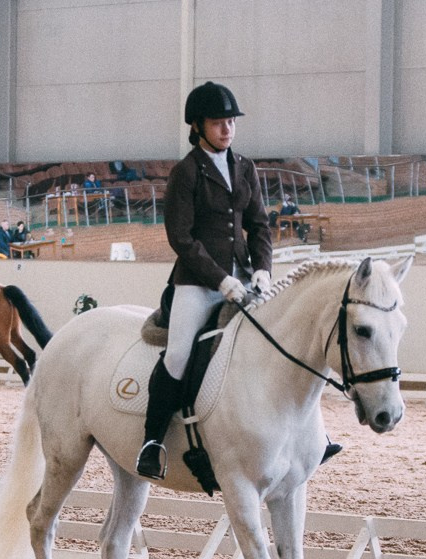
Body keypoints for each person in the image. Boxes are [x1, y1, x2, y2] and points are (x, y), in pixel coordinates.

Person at [135, 82, 340, 480]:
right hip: (197, 283)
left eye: (231, 122)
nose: (227, 129)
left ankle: (314, 437)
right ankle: (152, 441)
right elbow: (181, 237)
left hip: (245, 278)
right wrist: (218, 279)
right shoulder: (186, 172)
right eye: (218, 123)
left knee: (282, 344)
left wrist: (262, 268)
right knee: (178, 355)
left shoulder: (245, 166)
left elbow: (259, 224)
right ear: (198, 126)